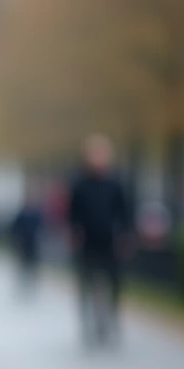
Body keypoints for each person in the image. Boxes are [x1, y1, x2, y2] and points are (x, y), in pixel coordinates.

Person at [68, 134, 130, 346]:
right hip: (88, 242)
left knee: (115, 282)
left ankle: (112, 317)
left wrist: (124, 235)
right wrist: (75, 232)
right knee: (86, 282)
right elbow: (73, 214)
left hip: (110, 241)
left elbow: (125, 212)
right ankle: (87, 320)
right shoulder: (79, 185)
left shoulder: (116, 184)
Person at [10, 190, 44, 296]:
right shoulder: (21, 214)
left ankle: (31, 289)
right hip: (22, 245)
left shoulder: (36, 214)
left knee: (32, 268)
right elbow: (14, 229)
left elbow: (41, 228)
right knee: (22, 267)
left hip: (33, 244)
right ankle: (22, 288)